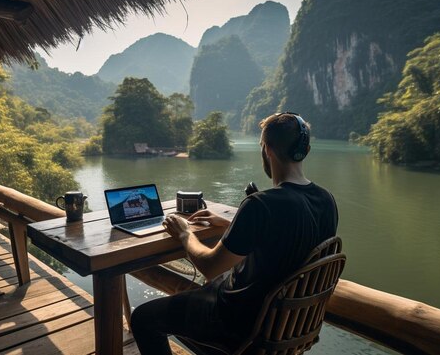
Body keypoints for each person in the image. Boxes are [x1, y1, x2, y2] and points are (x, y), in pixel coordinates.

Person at [130, 112, 339, 355]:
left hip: (238, 324)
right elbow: (286, 241)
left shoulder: (261, 204)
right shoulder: (327, 201)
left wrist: (185, 233)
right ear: (307, 150)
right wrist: (232, 226)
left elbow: (210, 267)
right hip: (287, 327)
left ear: (267, 150)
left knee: (143, 319)